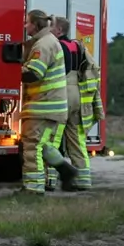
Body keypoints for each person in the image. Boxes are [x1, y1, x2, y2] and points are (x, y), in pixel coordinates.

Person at [18, 9, 79, 195]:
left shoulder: (43, 45)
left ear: (36, 24)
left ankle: (33, 188)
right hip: (51, 106)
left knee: (32, 147)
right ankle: (66, 171)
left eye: (27, 22)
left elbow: (34, 73)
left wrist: (11, 70)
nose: (25, 26)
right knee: (43, 146)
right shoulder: (49, 42)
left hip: (42, 107)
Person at [45, 16, 105, 191]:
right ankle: (84, 180)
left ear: (59, 31)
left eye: (51, 27)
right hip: (78, 95)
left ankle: (50, 180)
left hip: (62, 92)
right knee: (77, 140)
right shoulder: (78, 46)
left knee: (53, 138)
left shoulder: (57, 46)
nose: (48, 30)